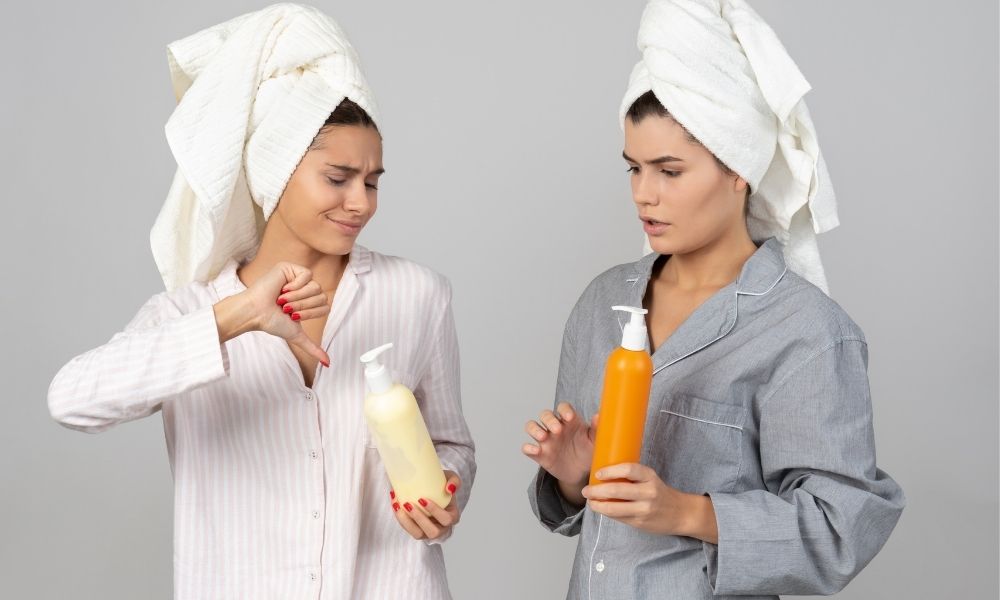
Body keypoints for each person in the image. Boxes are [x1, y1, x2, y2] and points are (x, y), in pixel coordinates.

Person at [47, 4, 474, 598]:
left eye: (372, 181)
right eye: (338, 177)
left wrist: (445, 486)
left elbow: (450, 441)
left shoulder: (417, 294)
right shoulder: (187, 313)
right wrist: (235, 317)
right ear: (273, 169)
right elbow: (71, 400)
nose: (362, 202)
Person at [523, 1, 904, 597]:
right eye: (633, 168)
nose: (643, 195)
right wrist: (574, 479)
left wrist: (683, 511)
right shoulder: (603, 303)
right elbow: (582, 511)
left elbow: (842, 527)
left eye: (670, 171)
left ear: (738, 169)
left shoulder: (805, 331)